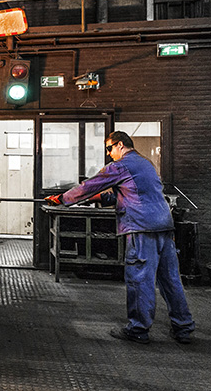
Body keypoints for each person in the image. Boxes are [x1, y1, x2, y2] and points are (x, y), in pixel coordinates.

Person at [45, 131, 194, 344]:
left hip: (142, 228)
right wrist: (95, 199)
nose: (109, 154)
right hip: (164, 226)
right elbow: (124, 193)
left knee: (140, 280)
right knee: (171, 280)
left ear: (121, 145)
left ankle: (138, 330)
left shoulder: (121, 165)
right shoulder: (146, 164)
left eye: (109, 148)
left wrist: (62, 199)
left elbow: (90, 185)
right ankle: (183, 328)